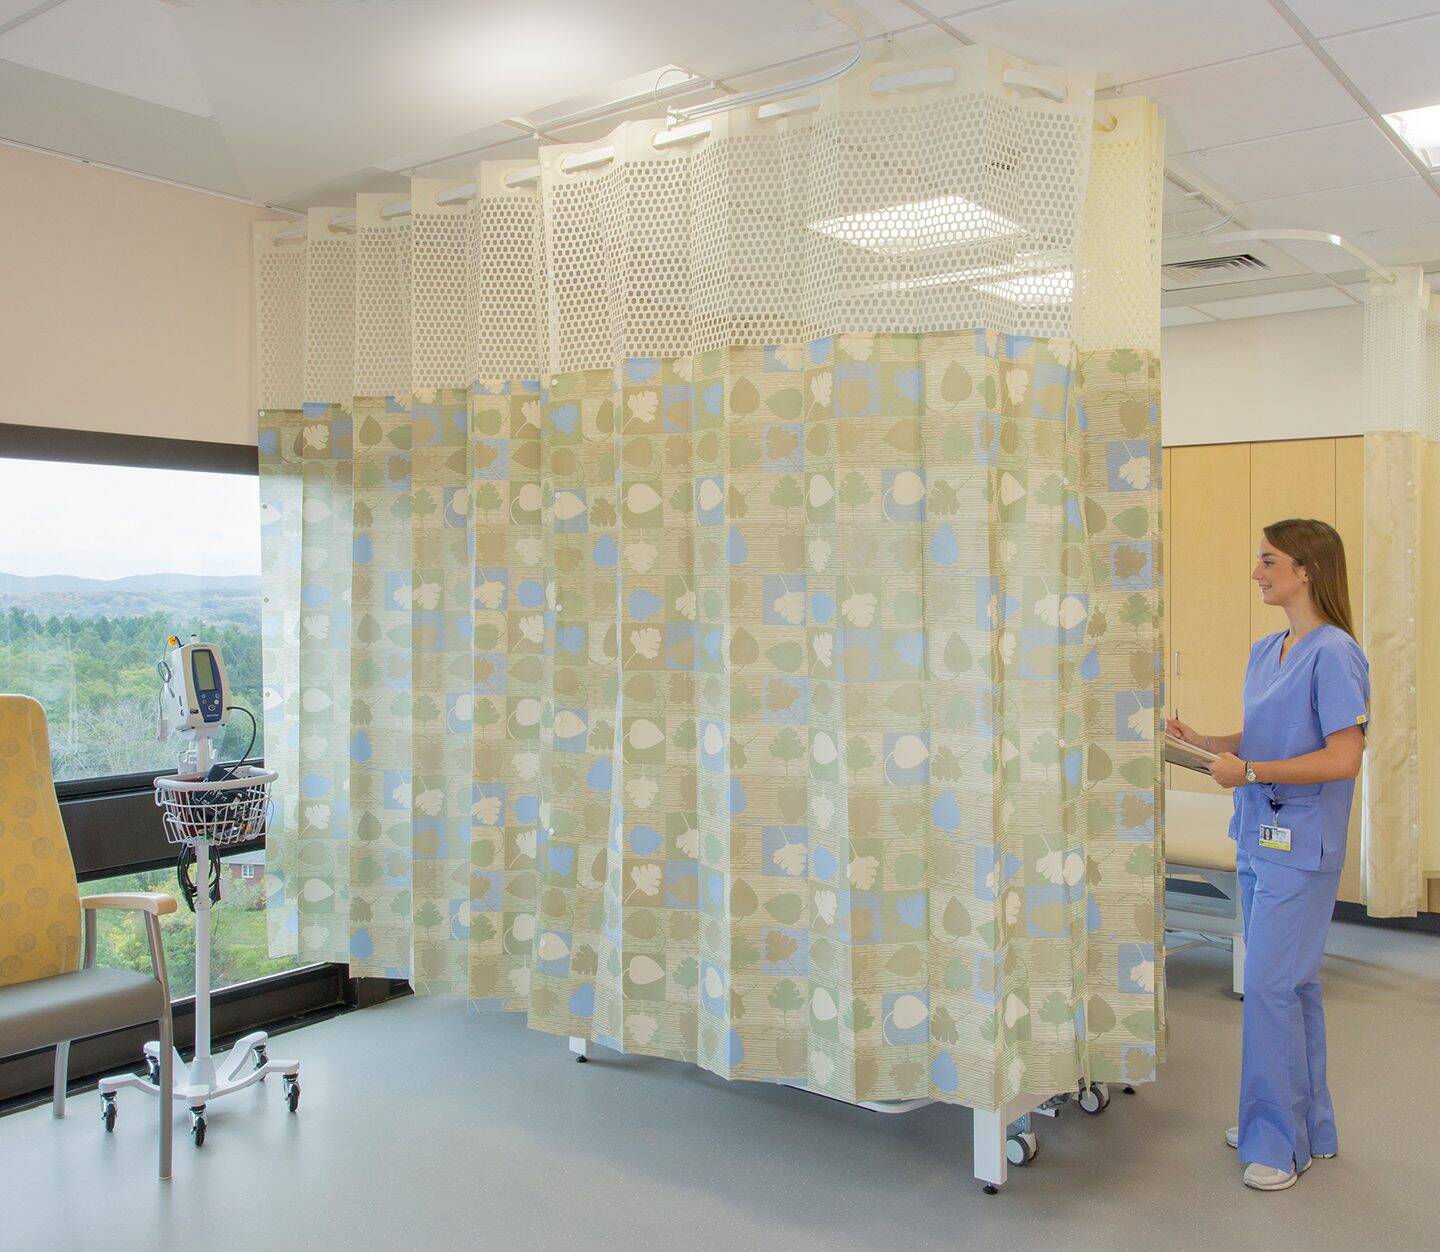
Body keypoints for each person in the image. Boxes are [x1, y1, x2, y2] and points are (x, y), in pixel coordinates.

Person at [1167, 518, 1369, 1193]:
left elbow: (1343, 758)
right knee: (1293, 986)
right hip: (1258, 834)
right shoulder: (1267, 650)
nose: (1257, 573)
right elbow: (1260, 736)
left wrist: (1250, 773)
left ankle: (1277, 1143)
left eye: (1268, 561)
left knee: (1271, 989)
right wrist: (1202, 742)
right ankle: (1305, 1127)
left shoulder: (1335, 653)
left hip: (1301, 845)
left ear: (1306, 569)